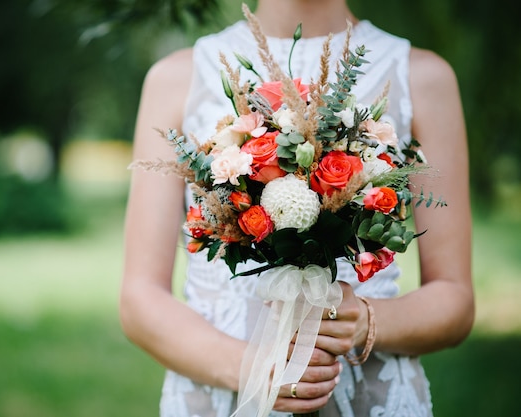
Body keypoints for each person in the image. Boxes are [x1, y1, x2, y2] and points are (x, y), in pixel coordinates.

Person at [120, 0, 474, 415]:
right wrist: (251, 369)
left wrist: (364, 320)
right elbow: (139, 299)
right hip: (219, 394)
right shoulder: (176, 77)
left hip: (363, 395)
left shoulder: (423, 76)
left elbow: (455, 300)